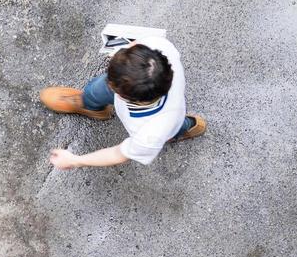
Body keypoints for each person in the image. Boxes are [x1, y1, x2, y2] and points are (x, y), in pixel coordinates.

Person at [41, 33, 205, 169]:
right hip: (133, 89)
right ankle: (88, 103)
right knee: (95, 90)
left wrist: (75, 160)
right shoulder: (160, 47)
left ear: (121, 95)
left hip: (166, 123)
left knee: (174, 128)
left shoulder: (150, 135)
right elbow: (137, 43)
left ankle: (184, 129)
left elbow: (118, 154)